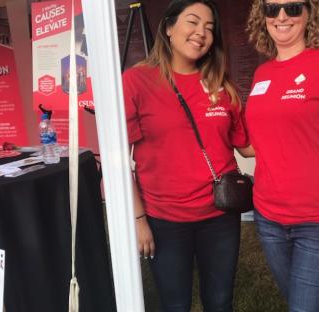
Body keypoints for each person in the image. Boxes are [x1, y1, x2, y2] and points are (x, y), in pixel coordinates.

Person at [122, 1, 250, 311]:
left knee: (220, 302)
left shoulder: (221, 84)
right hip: (166, 220)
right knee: (175, 304)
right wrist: (139, 220)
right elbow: (118, 159)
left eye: (209, 28)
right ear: (168, 27)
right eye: (192, 22)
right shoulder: (136, 82)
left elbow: (247, 146)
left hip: (220, 216)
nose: (201, 33)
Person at [244, 1, 319, 311]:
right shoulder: (262, 73)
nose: (282, 17)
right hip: (268, 216)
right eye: (272, 10)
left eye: (292, 7)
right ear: (262, 18)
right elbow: (255, 141)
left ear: (309, 13)